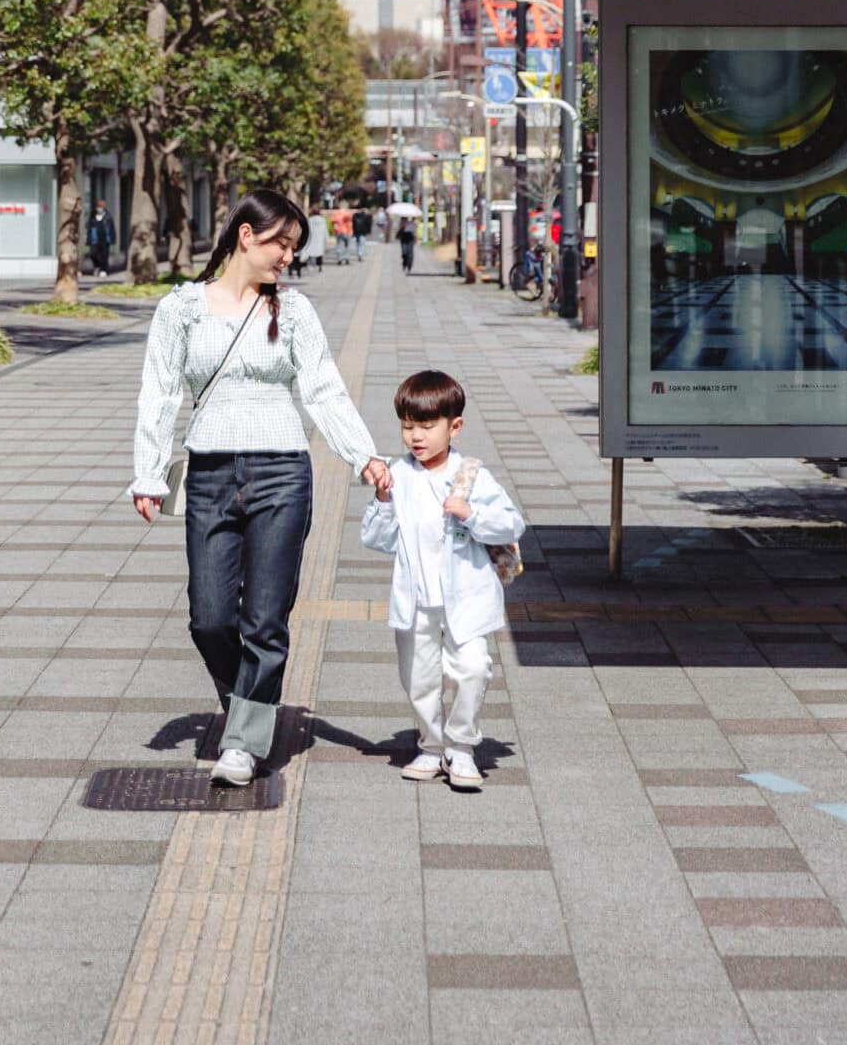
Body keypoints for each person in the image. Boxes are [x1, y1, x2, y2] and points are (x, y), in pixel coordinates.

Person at [131, 189, 391, 788]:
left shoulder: (293, 312)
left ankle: (244, 743)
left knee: (266, 617)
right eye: (281, 244)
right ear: (246, 235)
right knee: (210, 617)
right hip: (210, 474)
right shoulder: (181, 311)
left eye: (294, 249)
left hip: (282, 472)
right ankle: (250, 706)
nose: (288, 258)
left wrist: (363, 457)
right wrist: (148, 471)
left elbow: (323, 388)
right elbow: (160, 392)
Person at [360, 368, 524, 792]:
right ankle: (431, 746)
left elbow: (511, 525)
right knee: (418, 677)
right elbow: (378, 539)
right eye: (408, 426)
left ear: (454, 426)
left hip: (466, 598)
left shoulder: (471, 475)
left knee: (473, 668)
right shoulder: (399, 476)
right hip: (415, 600)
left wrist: (473, 514)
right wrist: (381, 498)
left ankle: (463, 746)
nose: (416, 436)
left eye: (427, 426)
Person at [87, 194, 113, 278]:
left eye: (101, 207)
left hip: (105, 239)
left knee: (104, 255)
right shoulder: (93, 216)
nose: (99, 209)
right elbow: (89, 228)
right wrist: (88, 238)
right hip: (95, 239)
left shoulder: (108, 216)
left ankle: (103, 270)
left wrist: (112, 238)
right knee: (93, 254)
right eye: (98, 207)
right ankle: (97, 266)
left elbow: (112, 228)